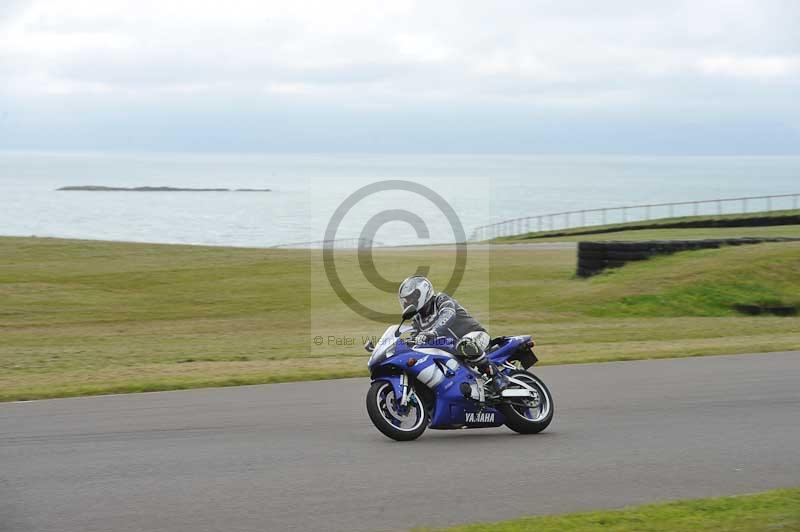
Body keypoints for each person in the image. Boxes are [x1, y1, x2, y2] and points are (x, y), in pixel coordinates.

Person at [398, 276, 507, 394]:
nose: (408, 302)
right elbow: (414, 340)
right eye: (406, 300)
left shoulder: (441, 300)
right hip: (452, 351)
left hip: (475, 336)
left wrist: (433, 332)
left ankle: (497, 376)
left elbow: (448, 315)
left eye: (410, 298)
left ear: (421, 293)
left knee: (465, 344)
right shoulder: (417, 319)